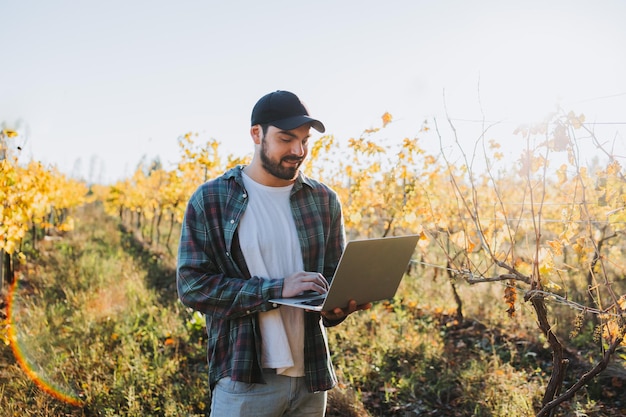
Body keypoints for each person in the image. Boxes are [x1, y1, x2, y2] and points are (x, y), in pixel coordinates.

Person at [176, 90, 370, 417]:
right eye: (286, 139)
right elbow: (193, 286)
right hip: (245, 377)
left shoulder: (324, 201)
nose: (299, 151)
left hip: (310, 378)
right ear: (256, 134)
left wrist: (338, 306)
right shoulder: (211, 200)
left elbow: (331, 281)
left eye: (305, 141)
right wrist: (276, 290)